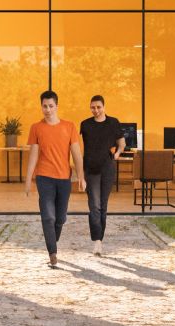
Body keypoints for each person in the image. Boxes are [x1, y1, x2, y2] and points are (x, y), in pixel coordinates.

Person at [25, 90, 85, 268]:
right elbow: (33, 156)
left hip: (64, 179)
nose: (48, 109)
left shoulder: (69, 127)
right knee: (48, 217)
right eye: (44, 106)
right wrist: (28, 179)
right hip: (44, 177)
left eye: (51, 106)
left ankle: (53, 242)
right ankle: (53, 253)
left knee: (60, 218)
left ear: (57, 106)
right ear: (41, 107)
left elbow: (76, 154)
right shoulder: (36, 128)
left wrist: (81, 176)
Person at [79, 95, 125, 256]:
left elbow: (122, 143)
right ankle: (96, 240)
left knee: (103, 206)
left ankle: (100, 240)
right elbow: (81, 148)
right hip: (90, 169)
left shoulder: (113, 123)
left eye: (98, 107)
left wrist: (117, 154)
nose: (96, 110)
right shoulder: (85, 125)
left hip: (107, 168)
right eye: (93, 107)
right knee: (94, 205)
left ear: (104, 107)